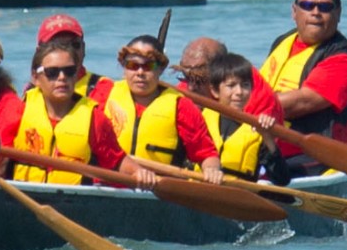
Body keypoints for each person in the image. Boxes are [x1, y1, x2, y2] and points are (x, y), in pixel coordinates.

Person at [255, 0, 347, 177]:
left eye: (325, 7)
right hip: (267, 145)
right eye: (307, 6)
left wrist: (238, 105)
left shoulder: (344, 61)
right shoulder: (283, 42)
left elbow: (300, 103)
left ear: (338, 13)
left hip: (315, 158)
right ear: (294, 11)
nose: (315, 13)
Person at [98, 34, 225, 184]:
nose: (140, 73)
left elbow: (207, 154)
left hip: (156, 191)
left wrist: (212, 170)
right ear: (123, 67)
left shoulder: (181, 106)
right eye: (133, 65)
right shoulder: (103, 94)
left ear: (161, 69)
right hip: (106, 185)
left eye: (148, 66)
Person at [1, 38, 109, 182]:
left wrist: (140, 173)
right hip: (22, 195)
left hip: (73, 200)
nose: (62, 77)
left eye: (69, 71)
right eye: (52, 72)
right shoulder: (19, 109)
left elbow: (118, 162)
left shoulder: (95, 118)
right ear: (36, 77)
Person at [198, 51, 270, 179]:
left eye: (245, 85)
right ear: (214, 91)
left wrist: (268, 138)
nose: (239, 92)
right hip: (197, 188)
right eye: (231, 86)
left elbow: (282, 179)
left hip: (238, 194)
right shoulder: (199, 120)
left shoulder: (257, 129)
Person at [177, 35, 279, 116]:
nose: (190, 87)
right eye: (186, 78)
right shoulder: (185, 87)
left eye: (199, 80)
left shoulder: (252, 95)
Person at [33, 14, 117, 103]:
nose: (69, 52)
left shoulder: (104, 89)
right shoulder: (31, 95)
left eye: (75, 45)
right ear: (39, 53)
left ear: (83, 48)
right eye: (57, 46)